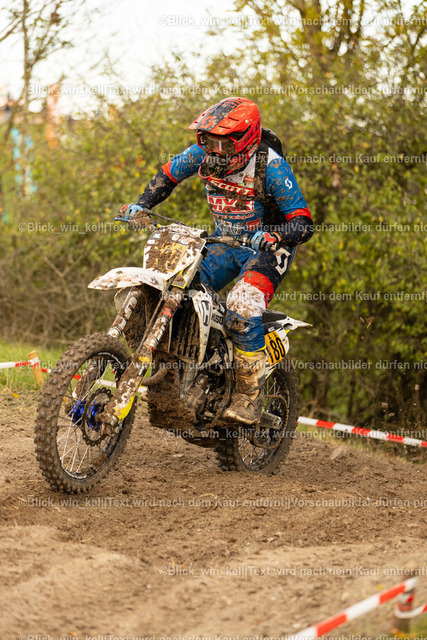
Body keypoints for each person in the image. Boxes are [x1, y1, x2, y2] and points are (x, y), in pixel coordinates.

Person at [118, 97, 313, 426]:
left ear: (245, 140)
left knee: (242, 305)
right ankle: (173, 376)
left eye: (224, 144)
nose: (216, 151)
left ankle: (248, 395)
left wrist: (275, 236)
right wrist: (142, 205)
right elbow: (167, 176)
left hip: (268, 248)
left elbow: (304, 223)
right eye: (209, 142)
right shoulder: (202, 154)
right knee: (171, 289)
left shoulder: (271, 166)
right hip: (225, 243)